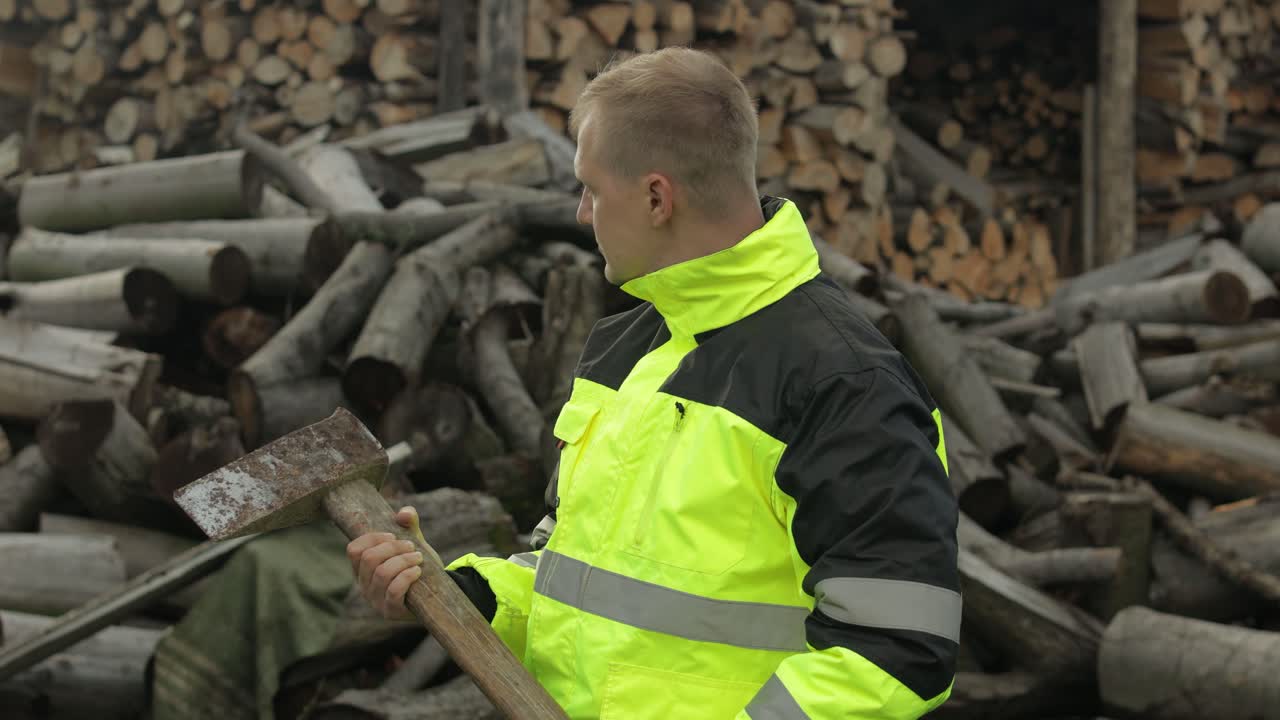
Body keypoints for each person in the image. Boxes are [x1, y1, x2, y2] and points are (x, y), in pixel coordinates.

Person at [347, 46, 961, 719]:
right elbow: (573, 579)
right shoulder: (626, 349)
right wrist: (453, 591)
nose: (583, 213)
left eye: (591, 188)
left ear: (655, 196)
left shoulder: (842, 381)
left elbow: (900, 652)